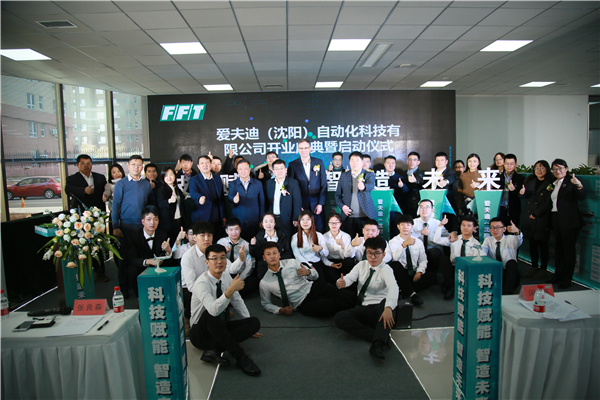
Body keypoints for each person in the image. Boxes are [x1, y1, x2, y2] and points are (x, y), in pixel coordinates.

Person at [189, 244, 262, 376]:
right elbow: (213, 310)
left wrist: (247, 323)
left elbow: (237, 300)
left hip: (220, 327)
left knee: (254, 322)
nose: (219, 262)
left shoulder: (225, 276)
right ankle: (241, 357)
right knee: (210, 314)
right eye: (214, 258)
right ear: (207, 262)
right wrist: (230, 290)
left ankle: (214, 350)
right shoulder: (201, 283)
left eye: (222, 258)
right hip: (201, 333)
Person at [334, 236, 399, 360]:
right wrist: (341, 282)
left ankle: (377, 344)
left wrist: (388, 308)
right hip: (364, 308)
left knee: (387, 304)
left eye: (377, 253)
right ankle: (379, 335)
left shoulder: (386, 269)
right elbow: (349, 278)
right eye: (369, 253)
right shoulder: (361, 265)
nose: (373, 257)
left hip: (379, 309)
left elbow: (393, 288)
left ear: (383, 255)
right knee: (339, 318)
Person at [259, 242, 352, 317]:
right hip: (302, 302)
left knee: (345, 295)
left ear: (279, 255)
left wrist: (308, 272)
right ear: (264, 258)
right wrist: (280, 310)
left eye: (274, 253)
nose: (272, 256)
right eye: (268, 254)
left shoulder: (291, 262)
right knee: (331, 306)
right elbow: (266, 304)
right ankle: (354, 314)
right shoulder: (264, 282)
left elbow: (315, 276)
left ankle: (357, 308)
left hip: (313, 288)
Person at [112, 155, 153, 296]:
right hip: (126, 227)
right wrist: (115, 226)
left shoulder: (146, 184)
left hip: (142, 227)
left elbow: (149, 205)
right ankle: (123, 288)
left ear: (142, 167)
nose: (136, 167)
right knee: (124, 258)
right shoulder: (121, 184)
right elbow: (115, 206)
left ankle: (139, 287)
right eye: (133, 164)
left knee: (141, 257)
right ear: (128, 166)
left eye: (139, 165)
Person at [65, 154, 109, 282]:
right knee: (83, 245)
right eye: (83, 163)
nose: (86, 166)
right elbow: (68, 190)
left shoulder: (100, 177)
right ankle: (84, 273)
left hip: (97, 218)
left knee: (99, 245)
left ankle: (101, 272)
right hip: (81, 219)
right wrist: (83, 190)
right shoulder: (72, 179)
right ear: (78, 165)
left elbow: (107, 189)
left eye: (88, 163)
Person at [547, 159, 586, 289]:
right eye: (555, 169)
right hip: (556, 219)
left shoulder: (571, 181)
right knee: (558, 249)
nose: (557, 171)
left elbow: (581, 196)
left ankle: (567, 278)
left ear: (566, 169)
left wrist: (579, 186)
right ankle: (558, 274)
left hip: (569, 221)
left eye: (560, 168)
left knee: (568, 251)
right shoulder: (554, 183)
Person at [126, 205, 178, 297]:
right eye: (148, 219)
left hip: (159, 265)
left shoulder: (162, 234)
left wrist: (168, 251)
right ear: (143, 221)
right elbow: (131, 259)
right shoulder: (133, 236)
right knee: (131, 270)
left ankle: (168, 295)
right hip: (142, 266)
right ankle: (140, 297)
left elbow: (166, 256)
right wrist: (148, 261)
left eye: (155, 219)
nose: (152, 222)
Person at [389, 214, 436, 306]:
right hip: (402, 273)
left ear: (412, 227)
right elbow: (395, 258)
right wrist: (404, 245)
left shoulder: (418, 242)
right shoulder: (393, 241)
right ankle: (412, 294)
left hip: (414, 273)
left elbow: (423, 260)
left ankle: (404, 289)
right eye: (402, 225)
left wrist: (419, 272)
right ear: (398, 226)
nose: (405, 227)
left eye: (408, 225)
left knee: (432, 277)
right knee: (395, 265)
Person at [433, 215, 481, 300]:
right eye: (463, 225)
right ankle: (451, 288)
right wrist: (440, 225)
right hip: (454, 268)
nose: (465, 228)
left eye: (469, 226)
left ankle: (451, 287)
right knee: (444, 259)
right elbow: (436, 240)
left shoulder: (476, 244)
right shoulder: (454, 239)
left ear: (474, 228)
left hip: (467, 269)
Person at [520, 160, 553, 279]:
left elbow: (548, 202)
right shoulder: (529, 181)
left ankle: (543, 268)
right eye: (537, 168)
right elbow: (524, 196)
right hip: (529, 217)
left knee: (543, 244)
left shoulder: (551, 183)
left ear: (547, 169)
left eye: (542, 168)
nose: (539, 170)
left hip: (542, 217)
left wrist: (537, 213)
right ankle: (534, 267)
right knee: (532, 244)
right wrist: (521, 193)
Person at [287, 139, 328, 232]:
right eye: (301, 148)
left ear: (310, 148)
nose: (303, 150)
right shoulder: (293, 165)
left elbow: (323, 185)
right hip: (301, 203)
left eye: (306, 148)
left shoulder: (319, 162)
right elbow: (291, 187)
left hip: (316, 203)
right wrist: (297, 205)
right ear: (298, 149)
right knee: (302, 230)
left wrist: (321, 204)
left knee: (319, 228)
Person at [335, 151, 377, 238]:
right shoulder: (344, 176)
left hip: (366, 216)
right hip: (348, 216)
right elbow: (337, 196)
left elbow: (371, 185)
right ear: (349, 162)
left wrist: (364, 186)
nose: (355, 163)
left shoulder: (369, 174)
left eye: (357, 160)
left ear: (362, 162)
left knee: (366, 242)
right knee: (349, 241)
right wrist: (342, 207)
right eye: (352, 160)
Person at [180, 222, 215, 319]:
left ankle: (218, 312)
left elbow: (229, 269)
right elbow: (191, 286)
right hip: (189, 288)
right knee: (191, 295)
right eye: (202, 235)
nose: (206, 239)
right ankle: (188, 318)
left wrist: (241, 260)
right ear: (194, 237)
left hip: (209, 284)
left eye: (209, 235)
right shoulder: (188, 256)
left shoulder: (214, 251)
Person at [217, 218, 258, 297]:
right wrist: (223, 252)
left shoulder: (246, 245)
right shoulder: (221, 243)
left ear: (240, 229)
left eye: (236, 229)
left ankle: (230, 293)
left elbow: (249, 266)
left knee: (253, 282)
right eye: (231, 230)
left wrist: (239, 279)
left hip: (239, 275)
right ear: (226, 231)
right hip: (224, 274)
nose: (234, 232)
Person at [481, 218, 522, 295]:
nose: (495, 230)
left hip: (510, 274)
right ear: (489, 230)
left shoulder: (510, 239)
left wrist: (517, 231)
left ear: (504, 229)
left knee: (512, 262)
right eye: (492, 227)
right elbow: (483, 249)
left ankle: (507, 292)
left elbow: (519, 240)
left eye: (498, 227)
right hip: (495, 273)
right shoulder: (488, 240)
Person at [411, 199, 451, 276]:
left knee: (435, 252)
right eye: (421, 207)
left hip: (432, 250)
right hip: (416, 250)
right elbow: (406, 237)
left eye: (427, 207)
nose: (424, 210)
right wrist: (420, 233)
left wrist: (454, 233)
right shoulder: (413, 223)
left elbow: (447, 236)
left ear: (432, 210)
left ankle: (432, 275)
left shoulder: (438, 223)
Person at [189, 155, 226, 238]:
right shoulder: (194, 179)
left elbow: (221, 199)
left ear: (211, 165)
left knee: (217, 239)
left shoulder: (217, 179)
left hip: (217, 217)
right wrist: (199, 198)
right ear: (198, 166)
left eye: (207, 163)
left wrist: (223, 216)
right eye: (202, 163)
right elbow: (193, 192)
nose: (205, 165)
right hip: (202, 217)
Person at [228, 159, 265, 241]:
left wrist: (261, 220)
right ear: (237, 170)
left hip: (254, 221)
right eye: (240, 169)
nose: (243, 171)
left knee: (255, 243)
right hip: (239, 220)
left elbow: (262, 202)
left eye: (245, 168)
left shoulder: (257, 184)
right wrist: (234, 199)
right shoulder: (233, 184)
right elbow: (230, 197)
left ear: (249, 169)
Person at [265, 159, 302, 241]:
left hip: (287, 219)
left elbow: (297, 202)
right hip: (272, 219)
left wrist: (296, 218)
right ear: (273, 171)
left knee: (287, 241)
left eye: (281, 168)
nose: (279, 171)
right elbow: (266, 202)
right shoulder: (268, 183)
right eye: (276, 169)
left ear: (285, 170)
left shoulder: (293, 183)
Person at [250, 212, 294, 280]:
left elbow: (288, 253)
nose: (268, 224)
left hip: (281, 264)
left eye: (271, 221)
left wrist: (276, 260)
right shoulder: (259, 237)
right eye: (266, 221)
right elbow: (256, 255)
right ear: (262, 224)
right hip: (265, 266)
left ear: (275, 223)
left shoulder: (282, 236)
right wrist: (253, 246)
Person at [291, 211, 329, 283]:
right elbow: (297, 255)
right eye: (302, 219)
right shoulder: (295, 237)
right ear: (299, 222)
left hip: (317, 264)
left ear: (312, 221)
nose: (305, 222)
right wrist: (309, 266)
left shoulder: (319, 235)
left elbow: (326, 254)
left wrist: (320, 248)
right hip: (303, 264)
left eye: (308, 219)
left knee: (321, 284)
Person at [321, 213, 356, 285]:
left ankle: (347, 284)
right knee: (333, 277)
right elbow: (323, 256)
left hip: (343, 261)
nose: (334, 224)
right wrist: (331, 264)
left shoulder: (346, 236)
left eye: (336, 222)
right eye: (331, 222)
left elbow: (346, 256)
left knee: (349, 261)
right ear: (328, 224)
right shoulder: (323, 237)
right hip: (330, 262)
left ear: (340, 224)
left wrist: (342, 245)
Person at [157, 166, 186, 246]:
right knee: (169, 244)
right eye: (166, 175)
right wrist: (169, 201)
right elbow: (160, 203)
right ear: (163, 178)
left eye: (171, 174)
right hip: (168, 223)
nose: (169, 177)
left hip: (179, 221)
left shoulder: (177, 189)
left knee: (178, 244)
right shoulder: (161, 190)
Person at [498, 154, 525, 228]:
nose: (509, 166)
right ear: (503, 164)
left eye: (511, 164)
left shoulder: (520, 178)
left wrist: (514, 190)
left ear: (515, 164)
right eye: (507, 163)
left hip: (513, 210)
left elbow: (521, 195)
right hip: (499, 208)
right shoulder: (498, 177)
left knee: (512, 232)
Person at [434, 152, 458, 230]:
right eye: (437, 160)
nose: (439, 162)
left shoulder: (450, 172)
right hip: (434, 202)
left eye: (442, 160)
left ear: (446, 161)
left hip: (446, 203)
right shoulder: (432, 172)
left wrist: (446, 181)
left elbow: (451, 178)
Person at [384, 155, 404, 238]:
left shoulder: (400, 177)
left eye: (393, 163)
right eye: (388, 163)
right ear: (385, 164)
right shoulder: (379, 177)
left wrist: (402, 186)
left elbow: (406, 192)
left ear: (395, 165)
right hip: (382, 208)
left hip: (396, 209)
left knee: (396, 231)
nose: (390, 165)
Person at [400, 151, 424, 219]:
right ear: (407, 161)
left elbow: (420, 181)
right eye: (410, 160)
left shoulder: (420, 174)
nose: (412, 162)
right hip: (405, 205)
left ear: (418, 162)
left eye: (414, 160)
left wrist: (415, 181)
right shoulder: (404, 175)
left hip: (416, 205)